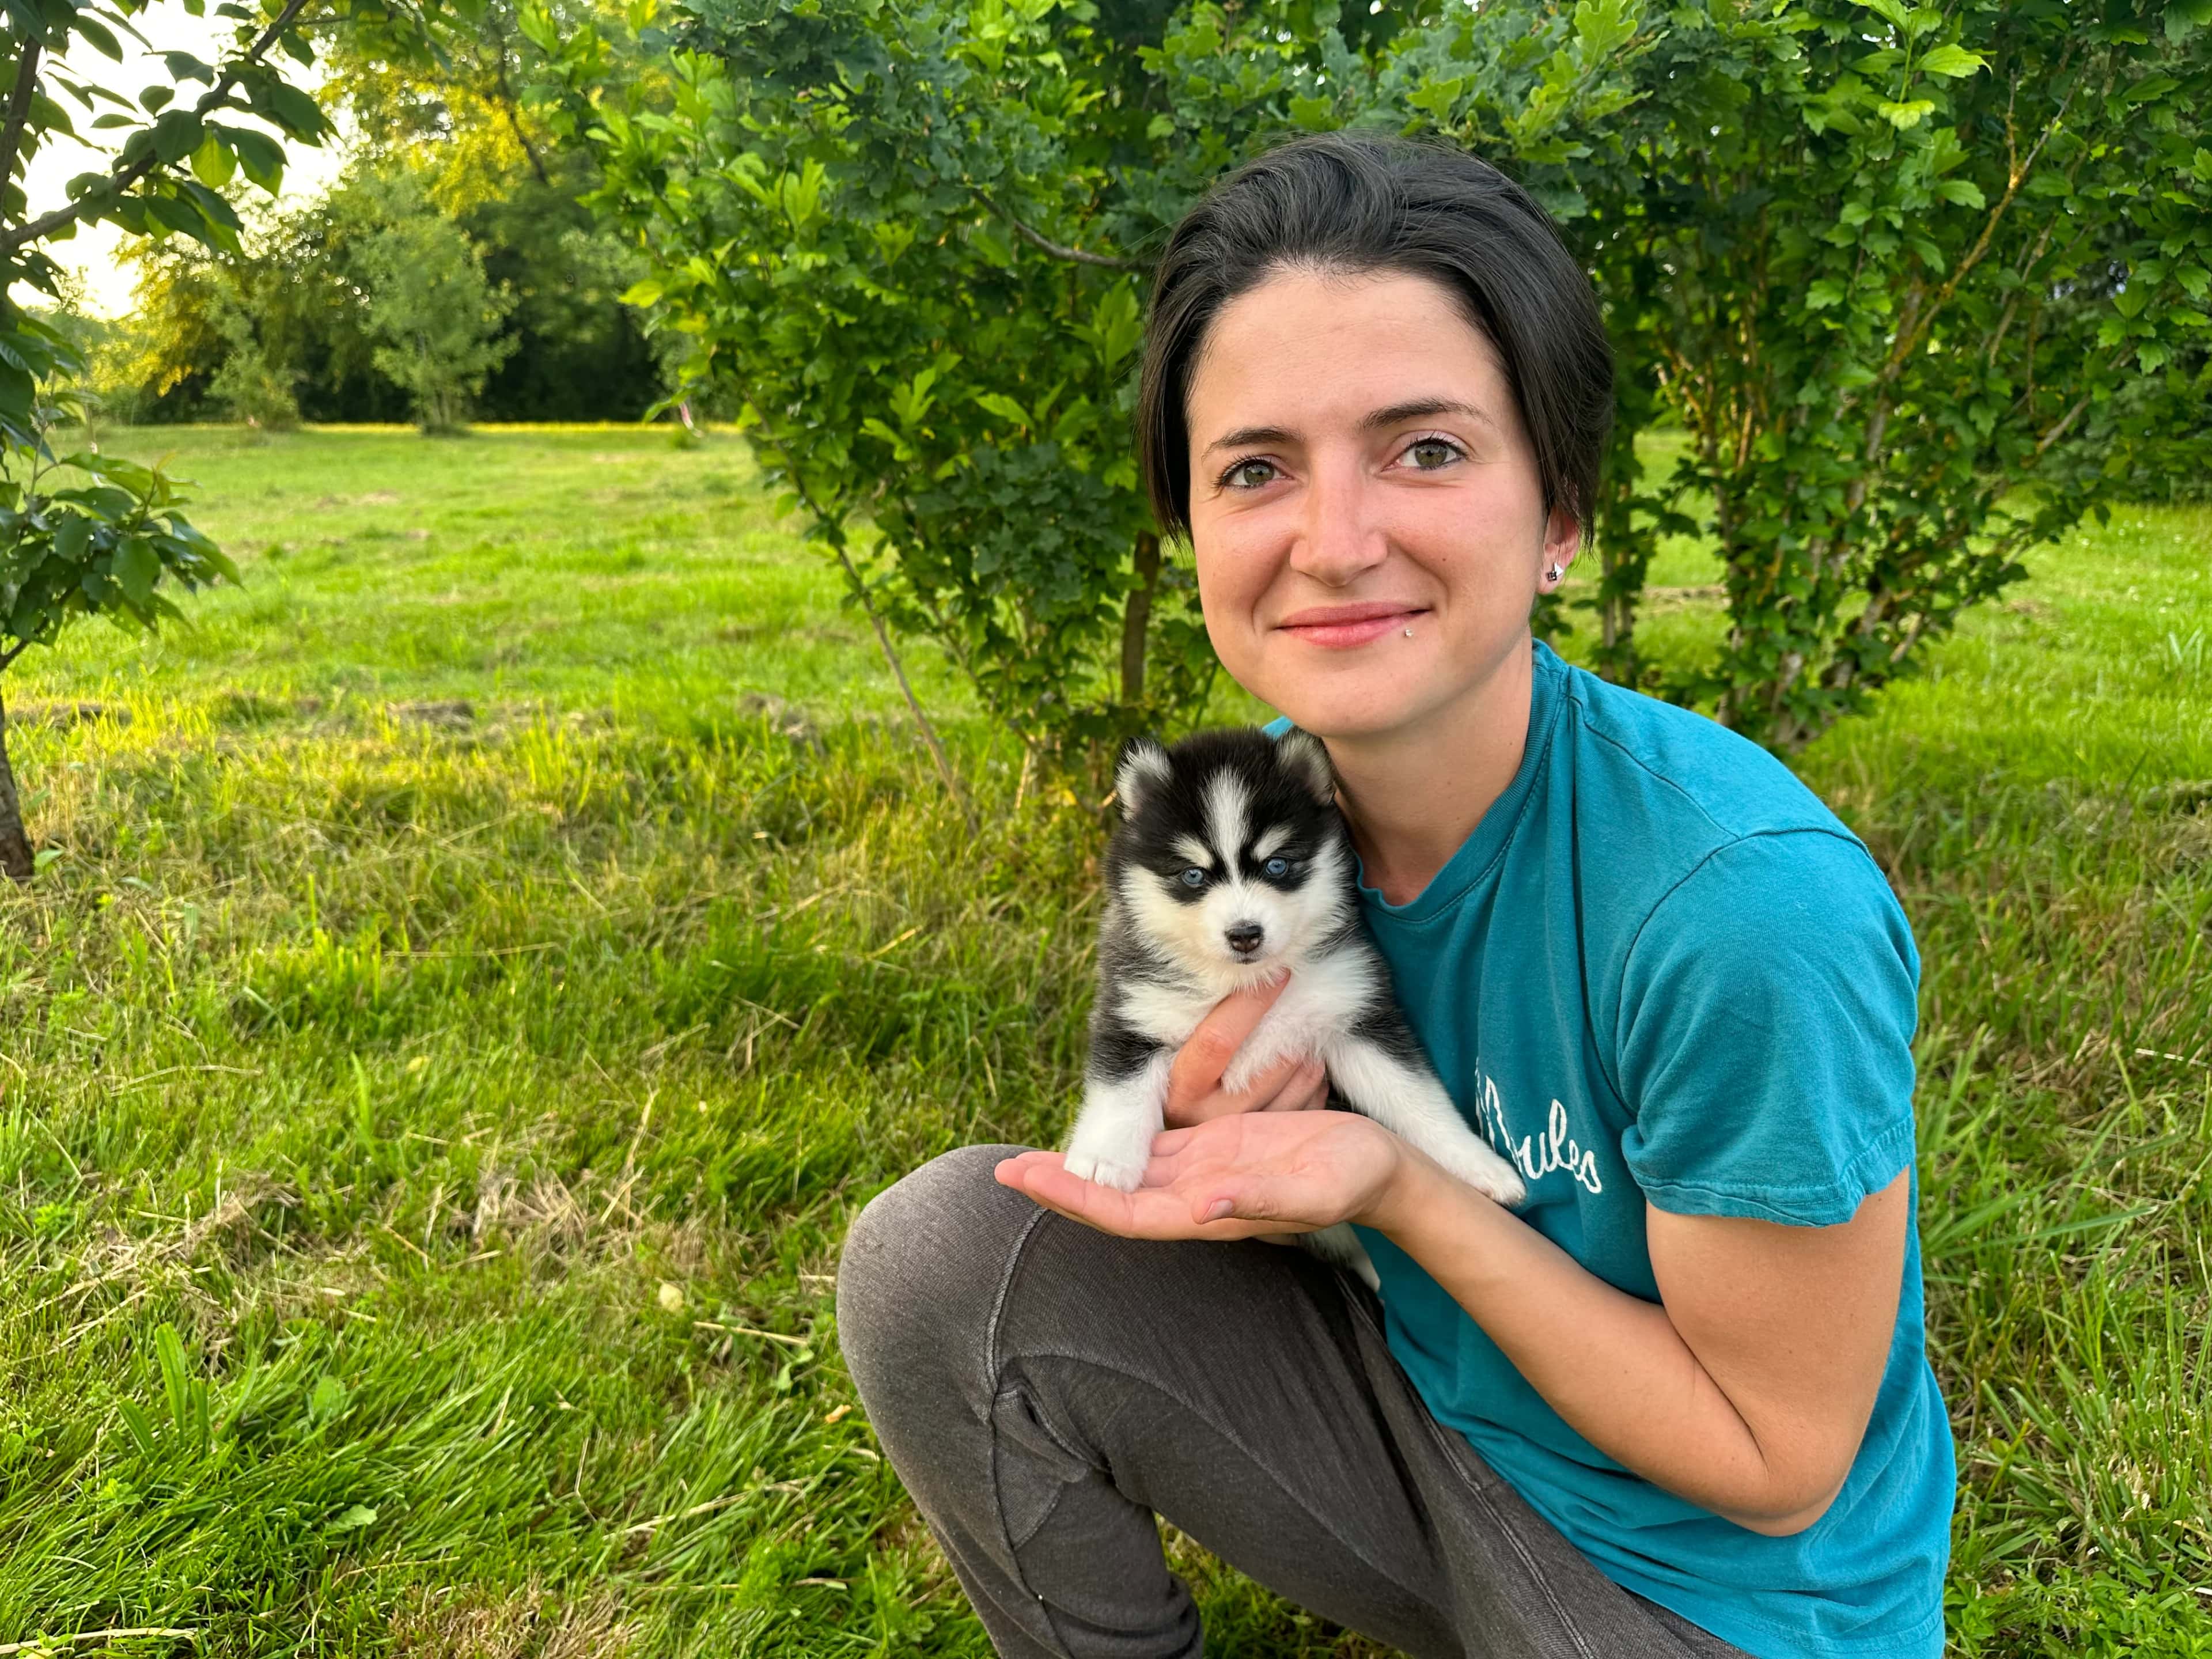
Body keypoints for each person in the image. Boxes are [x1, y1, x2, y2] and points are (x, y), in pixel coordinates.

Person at [836, 132, 1954, 1659]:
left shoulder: (1738, 914)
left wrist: (1396, 1182)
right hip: (1418, 1425)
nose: (1335, 543)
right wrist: (1223, 1149)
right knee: (946, 1266)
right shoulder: (1260, 820)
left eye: (1426, 451)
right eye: (1255, 469)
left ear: (1559, 515)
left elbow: (1774, 1469)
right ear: (1191, 534)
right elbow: (1175, 1150)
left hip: (1691, 1586)